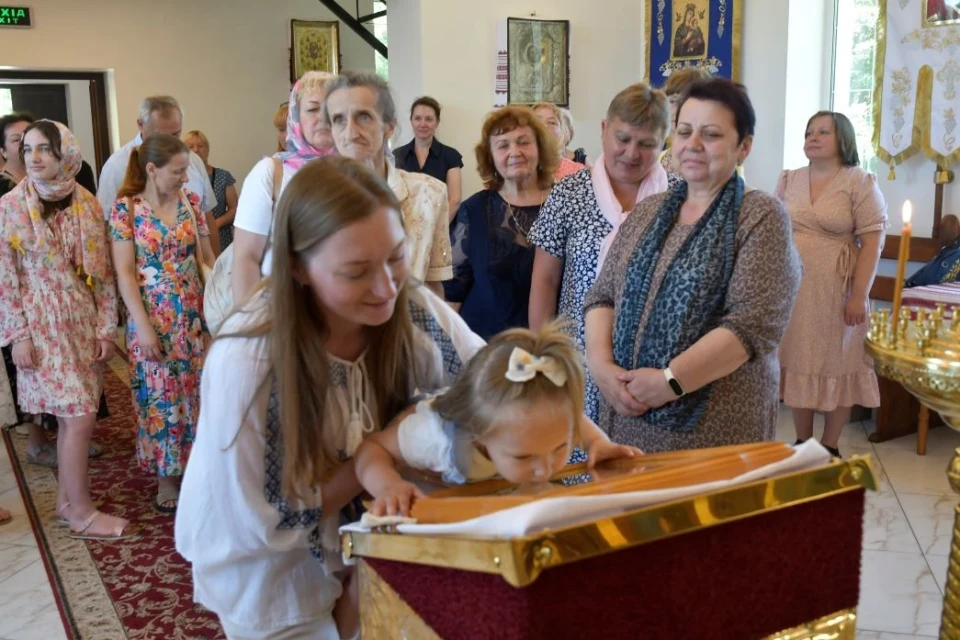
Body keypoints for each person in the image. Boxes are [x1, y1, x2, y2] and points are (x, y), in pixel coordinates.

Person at [175, 157, 485, 639]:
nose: (386, 287)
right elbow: (268, 521)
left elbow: (493, 385)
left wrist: (582, 434)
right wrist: (379, 453)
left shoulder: (410, 305)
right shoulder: (250, 359)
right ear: (297, 267)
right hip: (271, 569)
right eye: (356, 271)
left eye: (396, 256)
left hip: (366, 531)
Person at [583, 78, 802, 452]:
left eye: (711, 134)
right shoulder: (649, 209)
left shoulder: (759, 215)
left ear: (744, 146)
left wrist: (670, 381)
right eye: (684, 131)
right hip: (624, 414)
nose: (693, 145)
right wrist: (600, 367)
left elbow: (751, 326)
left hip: (713, 426)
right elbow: (602, 295)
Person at [0, 120, 134, 539]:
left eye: (45, 149)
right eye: (28, 149)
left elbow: (105, 274)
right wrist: (17, 335)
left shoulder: (89, 204)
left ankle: (65, 502)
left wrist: (105, 328)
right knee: (77, 418)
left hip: (81, 319)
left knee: (75, 415)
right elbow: (5, 278)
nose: (34, 158)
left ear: (66, 155)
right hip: (40, 325)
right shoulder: (10, 206)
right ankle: (81, 512)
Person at [356, 322, 640, 517]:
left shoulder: (538, 422)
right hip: (437, 515)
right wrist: (388, 486)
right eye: (523, 457)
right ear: (479, 432)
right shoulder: (434, 438)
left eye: (559, 447)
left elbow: (572, 421)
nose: (544, 469)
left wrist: (597, 442)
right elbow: (371, 448)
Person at [528, 82, 671, 422]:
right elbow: (545, 282)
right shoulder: (569, 193)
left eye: (646, 144)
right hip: (577, 357)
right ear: (605, 130)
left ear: (664, 143)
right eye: (623, 139)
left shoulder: (678, 197)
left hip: (654, 366)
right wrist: (543, 357)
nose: (632, 153)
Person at [109, 134, 214, 513]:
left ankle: (201, 470)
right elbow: (124, 274)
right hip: (151, 314)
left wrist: (217, 309)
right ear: (152, 170)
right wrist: (143, 326)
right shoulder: (126, 209)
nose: (185, 178)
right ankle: (167, 478)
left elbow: (206, 260)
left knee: (198, 391)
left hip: (192, 314)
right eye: (178, 171)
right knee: (161, 396)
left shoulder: (192, 203)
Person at [778, 111, 887, 458]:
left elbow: (873, 242)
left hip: (838, 289)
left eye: (822, 132)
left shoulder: (860, 182)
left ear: (843, 140)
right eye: (809, 131)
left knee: (837, 362)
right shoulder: (789, 179)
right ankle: (802, 441)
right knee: (798, 359)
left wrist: (860, 294)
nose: (812, 137)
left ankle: (830, 444)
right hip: (794, 287)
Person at [324, 71, 453, 297]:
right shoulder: (313, 197)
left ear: (389, 126)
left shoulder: (429, 194)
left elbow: (433, 287)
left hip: (408, 326)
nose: (350, 132)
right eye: (338, 120)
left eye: (363, 117)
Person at [444, 106, 558, 339]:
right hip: (486, 348)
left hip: (553, 345)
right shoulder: (474, 210)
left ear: (540, 148)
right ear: (491, 157)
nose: (514, 152)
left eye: (523, 142)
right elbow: (454, 291)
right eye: (503, 145)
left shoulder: (565, 204)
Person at [232, 72, 338, 303]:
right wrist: (249, 326)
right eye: (312, 109)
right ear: (296, 116)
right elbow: (246, 257)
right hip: (281, 310)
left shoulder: (354, 172)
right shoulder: (270, 172)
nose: (323, 118)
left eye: (331, 109)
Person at [97, 95, 216, 220]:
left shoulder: (194, 161)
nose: (169, 142)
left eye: (176, 134)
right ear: (140, 124)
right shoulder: (117, 166)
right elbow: (104, 221)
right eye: (161, 136)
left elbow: (207, 214)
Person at [393, 96, 464, 221]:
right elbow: (394, 196)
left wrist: (434, 230)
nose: (422, 124)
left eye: (429, 119)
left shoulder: (451, 156)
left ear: (437, 122)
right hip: (406, 228)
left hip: (441, 229)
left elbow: (455, 200)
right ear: (411, 121)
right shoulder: (398, 155)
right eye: (417, 118)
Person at [185, 130, 238, 254]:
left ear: (208, 149)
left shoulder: (223, 176)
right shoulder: (180, 179)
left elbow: (235, 209)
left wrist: (215, 224)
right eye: (190, 147)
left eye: (200, 146)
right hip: (191, 239)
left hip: (220, 237)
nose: (196, 150)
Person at [659, 67, 712, 187]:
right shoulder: (657, 159)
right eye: (672, 101)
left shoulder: (713, 159)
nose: (677, 110)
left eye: (684, 102)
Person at [533, 102, 586, 182]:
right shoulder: (516, 167)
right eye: (537, 121)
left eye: (552, 122)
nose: (543, 126)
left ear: (563, 133)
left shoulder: (578, 172)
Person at [906, 215, 960, 287]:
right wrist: (909, 282)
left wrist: (910, 284)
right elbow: (926, 270)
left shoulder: (952, 254)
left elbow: (931, 278)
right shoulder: (947, 250)